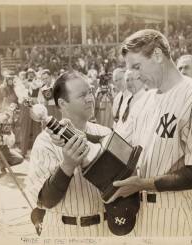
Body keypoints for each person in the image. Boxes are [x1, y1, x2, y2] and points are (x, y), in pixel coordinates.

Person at [107, 29, 192, 236]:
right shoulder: (143, 99)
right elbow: (121, 144)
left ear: (158, 55)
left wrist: (143, 184)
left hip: (175, 214)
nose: (133, 74)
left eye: (137, 66)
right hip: (138, 213)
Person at [27, 71, 111, 237]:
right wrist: (67, 166)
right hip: (64, 231)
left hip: (105, 229)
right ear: (63, 103)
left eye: (90, 92)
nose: (90, 98)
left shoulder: (105, 133)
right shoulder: (45, 142)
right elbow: (45, 201)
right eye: (82, 95)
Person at [0, 109, 24, 177]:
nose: (6, 120)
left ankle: (2, 164)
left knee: (19, 158)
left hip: (3, 148)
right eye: (4, 118)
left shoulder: (6, 126)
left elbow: (11, 144)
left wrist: (8, 135)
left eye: (7, 119)